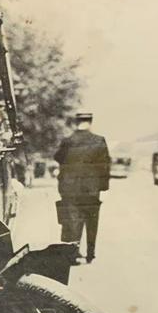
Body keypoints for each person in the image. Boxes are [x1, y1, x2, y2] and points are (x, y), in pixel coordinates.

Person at [53, 112, 111, 263]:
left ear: (76, 122)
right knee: (92, 221)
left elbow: (58, 158)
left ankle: (72, 254)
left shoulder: (67, 141)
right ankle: (90, 254)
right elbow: (105, 166)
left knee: (72, 221)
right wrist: (104, 188)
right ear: (90, 122)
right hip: (92, 189)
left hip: (70, 188)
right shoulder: (99, 141)